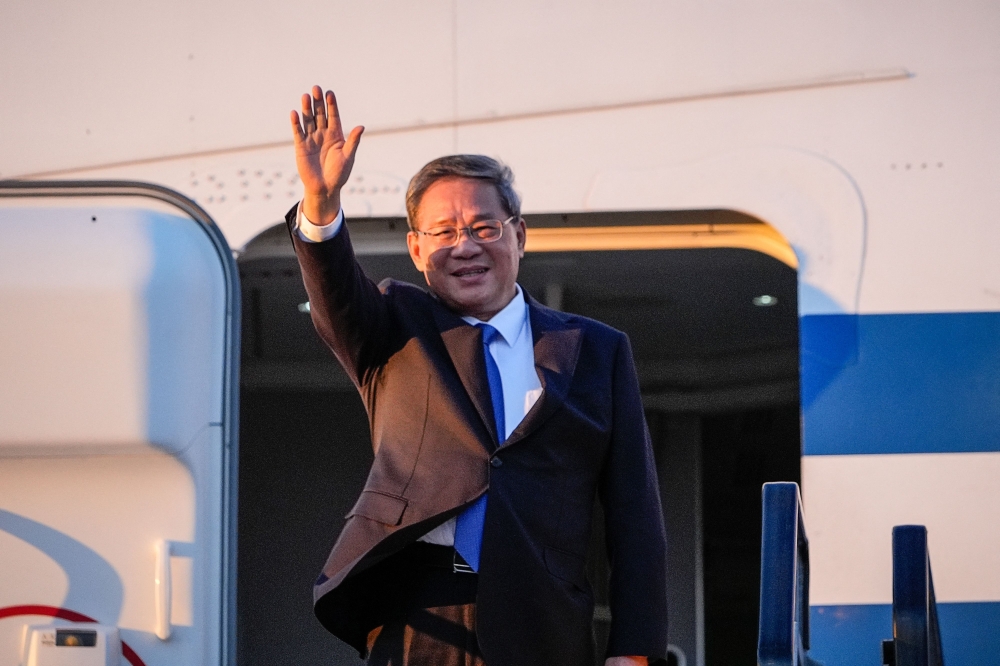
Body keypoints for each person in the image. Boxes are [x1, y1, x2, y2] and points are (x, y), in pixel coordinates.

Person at [286, 85, 668, 666]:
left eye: (484, 228)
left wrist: (635, 651)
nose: (465, 246)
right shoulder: (392, 327)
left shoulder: (596, 349)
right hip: (421, 616)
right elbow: (335, 291)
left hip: (545, 619)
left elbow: (634, 514)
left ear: (519, 235)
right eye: (443, 232)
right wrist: (319, 203)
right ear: (416, 250)